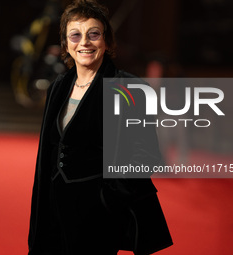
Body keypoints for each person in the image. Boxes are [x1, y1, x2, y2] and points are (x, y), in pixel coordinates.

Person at [28, 1, 173, 254]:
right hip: (53, 210)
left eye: (93, 34)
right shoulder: (58, 86)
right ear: (66, 44)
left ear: (106, 41)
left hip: (98, 215)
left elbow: (146, 155)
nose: (84, 42)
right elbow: (49, 151)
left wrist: (109, 199)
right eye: (75, 35)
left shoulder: (129, 88)